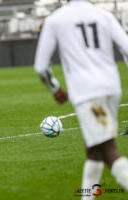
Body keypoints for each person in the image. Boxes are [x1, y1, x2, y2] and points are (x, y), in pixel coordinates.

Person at [34, 0, 128, 199]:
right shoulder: (104, 15)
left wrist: (55, 88)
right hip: (112, 88)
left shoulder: (56, 19)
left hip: (89, 94)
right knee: (94, 149)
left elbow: (41, 66)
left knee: (108, 149)